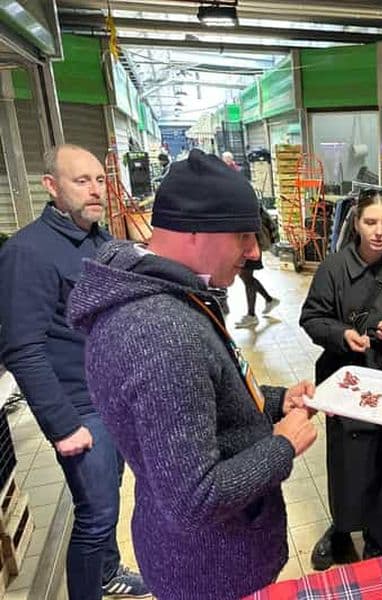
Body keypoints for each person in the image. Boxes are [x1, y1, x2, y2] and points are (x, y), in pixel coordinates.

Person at [67, 149, 318, 600]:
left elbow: (200, 402)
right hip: (212, 570)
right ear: (195, 230)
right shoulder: (163, 332)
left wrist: (275, 400)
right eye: (243, 235)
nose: (254, 252)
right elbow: (194, 498)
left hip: (197, 553)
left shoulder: (165, 293)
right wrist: (283, 445)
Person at [0, 144, 149, 599]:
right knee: (95, 516)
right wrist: (63, 426)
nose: (95, 189)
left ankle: (108, 572)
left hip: (112, 399)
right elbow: (22, 349)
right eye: (81, 181)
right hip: (80, 408)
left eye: (100, 180)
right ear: (51, 186)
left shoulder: (102, 242)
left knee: (110, 496)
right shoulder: (28, 252)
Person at [299, 189, 382, 570]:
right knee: (347, 460)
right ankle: (341, 529)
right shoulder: (334, 268)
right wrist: (342, 334)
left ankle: (376, 538)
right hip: (345, 377)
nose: (379, 231)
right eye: (371, 222)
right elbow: (311, 317)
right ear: (356, 223)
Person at [235, 229, 280, 329]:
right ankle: (269, 300)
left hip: (249, 244)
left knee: (246, 277)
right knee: (246, 277)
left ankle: (252, 315)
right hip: (246, 243)